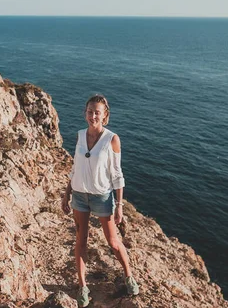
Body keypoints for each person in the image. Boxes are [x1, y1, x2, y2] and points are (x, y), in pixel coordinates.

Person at [61, 94, 139, 307]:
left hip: (102, 197)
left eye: (97, 112)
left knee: (113, 242)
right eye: (89, 111)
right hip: (78, 195)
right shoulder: (79, 135)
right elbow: (75, 167)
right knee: (81, 240)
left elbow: (117, 174)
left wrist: (119, 205)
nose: (92, 115)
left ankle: (129, 276)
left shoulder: (111, 139)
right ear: (84, 113)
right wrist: (66, 193)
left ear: (105, 115)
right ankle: (83, 286)